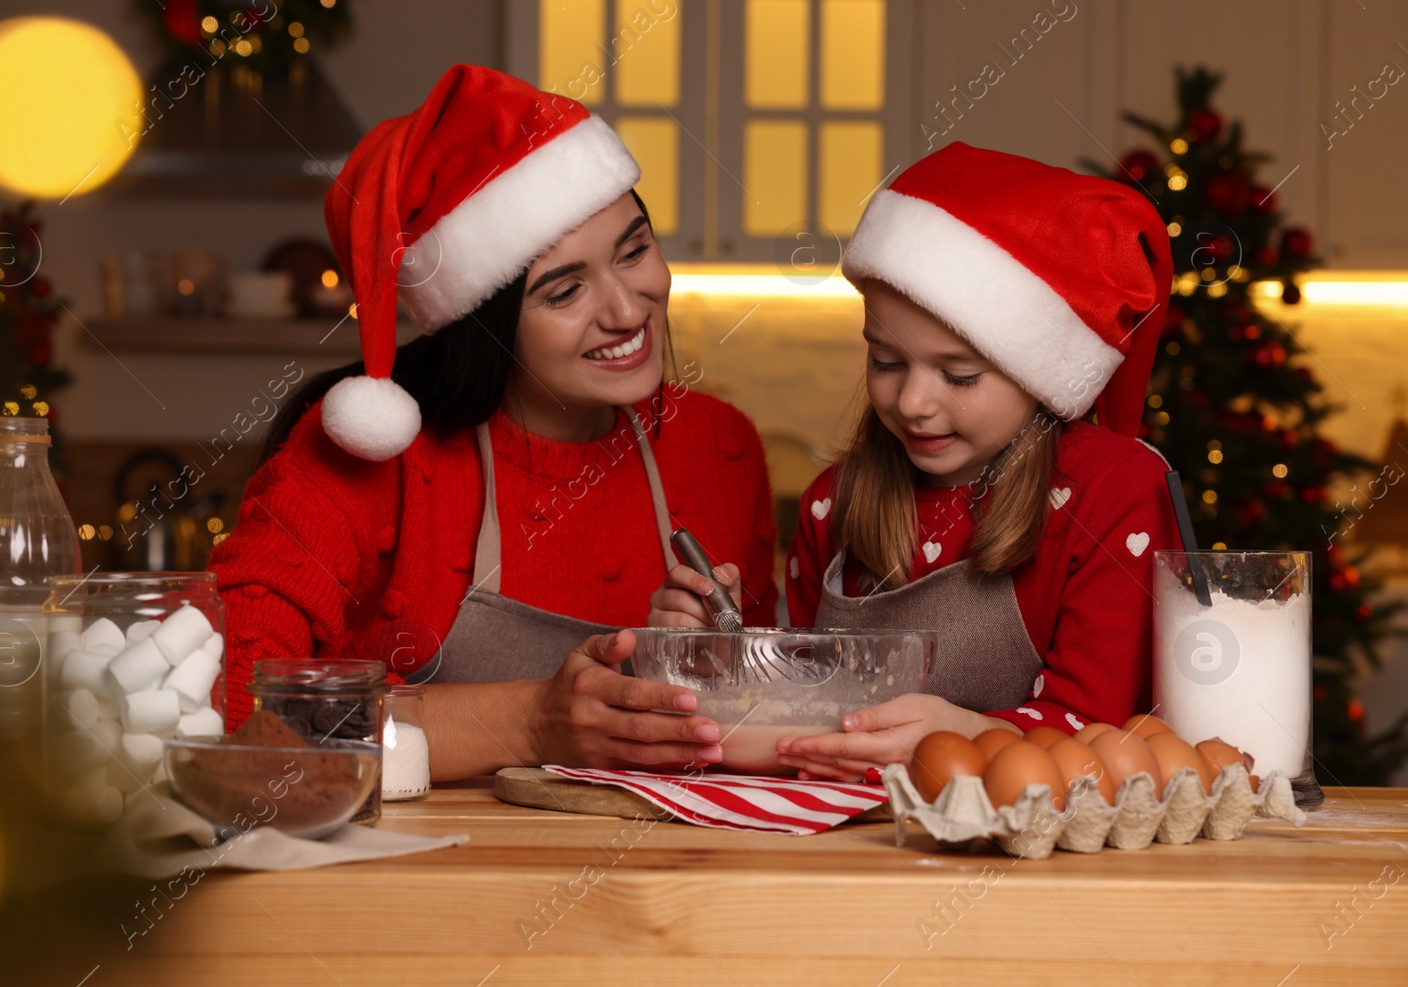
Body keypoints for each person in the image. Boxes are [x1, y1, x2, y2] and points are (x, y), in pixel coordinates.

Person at [209, 64, 777, 780]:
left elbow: (758, 732)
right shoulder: (372, 458)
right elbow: (236, 710)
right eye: (565, 290)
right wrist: (532, 721)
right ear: (487, 326)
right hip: (403, 882)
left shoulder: (719, 447)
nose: (628, 310)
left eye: (634, 250)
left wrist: (702, 676)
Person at [651, 142, 1181, 780]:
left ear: (1040, 373)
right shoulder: (833, 501)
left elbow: (1108, 733)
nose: (911, 402)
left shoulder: (1113, 491)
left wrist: (973, 738)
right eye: (887, 361)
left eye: (958, 375)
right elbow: (797, 715)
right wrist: (724, 652)